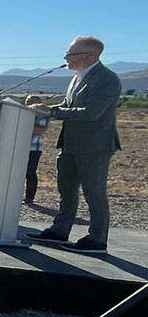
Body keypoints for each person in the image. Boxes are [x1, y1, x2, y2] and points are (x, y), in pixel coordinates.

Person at [29, 36, 122, 253]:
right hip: (70, 144)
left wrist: (51, 111)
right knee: (67, 189)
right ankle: (59, 231)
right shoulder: (78, 77)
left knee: (94, 192)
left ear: (87, 56)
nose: (65, 57)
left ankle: (97, 240)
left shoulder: (107, 78)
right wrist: (47, 107)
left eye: (70, 54)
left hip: (95, 146)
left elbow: (91, 113)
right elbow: (68, 105)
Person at [24, 95, 50, 205]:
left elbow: (41, 129)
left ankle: (29, 197)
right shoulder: (24, 114)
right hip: (22, 147)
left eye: (32, 101)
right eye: (28, 101)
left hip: (34, 148)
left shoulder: (43, 115)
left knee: (30, 172)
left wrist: (25, 125)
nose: (29, 103)